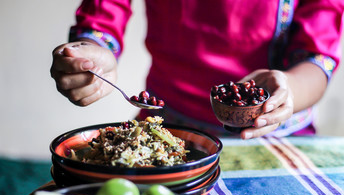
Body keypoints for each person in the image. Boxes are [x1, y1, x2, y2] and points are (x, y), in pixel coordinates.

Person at [50, 0, 344, 139]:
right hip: (166, 126)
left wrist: (289, 88)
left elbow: (318, 58)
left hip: (279, 135)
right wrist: (91, 51)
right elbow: (104, 10)